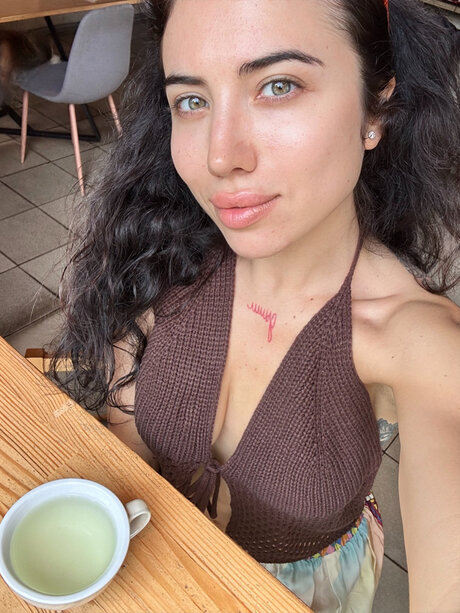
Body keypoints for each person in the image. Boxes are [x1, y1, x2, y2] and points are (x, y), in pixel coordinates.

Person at [50, 0, 460, 611]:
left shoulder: (419, 340)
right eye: (192, 100)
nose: (220, 157)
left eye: (278, 85)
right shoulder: (164, 252)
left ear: (376, 110)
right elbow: (124, 443)